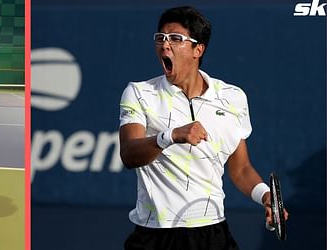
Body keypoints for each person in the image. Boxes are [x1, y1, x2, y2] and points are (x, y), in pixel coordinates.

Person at [119, 6, 288, 250]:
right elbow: (129, 154)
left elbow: (240, 168)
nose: (165, 45)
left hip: (212, 233)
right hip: (154, 234)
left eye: (176, 39)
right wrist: (171, 136)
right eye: (161, 38)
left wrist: (264, 195)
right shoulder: (138, 93)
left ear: (198, 49)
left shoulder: (232, 98)